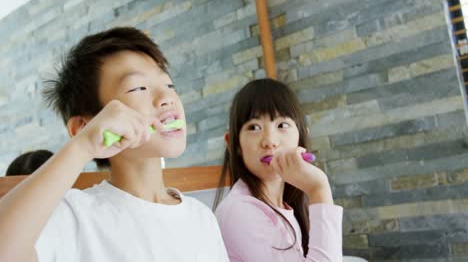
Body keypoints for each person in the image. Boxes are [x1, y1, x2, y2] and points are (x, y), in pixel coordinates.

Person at [0, 27, 228, 262]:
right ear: (83, 126)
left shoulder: (202, 217)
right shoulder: (75, 216)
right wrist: (81, 147)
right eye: (139, 88)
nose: (167, 98)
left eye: (169, 85)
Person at [214, 78, 343, 261]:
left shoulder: (282, 206)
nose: (270, 141)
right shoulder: (238, 211)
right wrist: (319, 189)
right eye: (254, 127)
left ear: (302, 135)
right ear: (234, 144)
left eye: (282, 125)